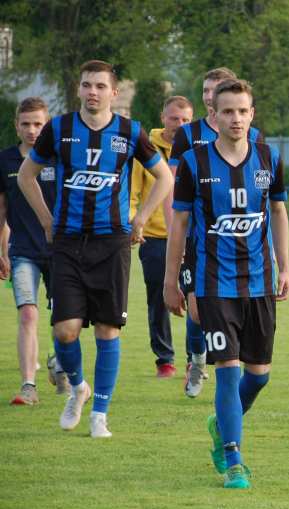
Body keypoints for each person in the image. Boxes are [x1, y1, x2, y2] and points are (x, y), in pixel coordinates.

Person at [17, 60, 173, 438]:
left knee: (107, 330)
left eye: (100, 86)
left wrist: (141, 219)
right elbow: (26, 175)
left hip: (112, 243)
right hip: (68, 242)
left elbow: (165, 176)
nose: (93, 92)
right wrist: (45, 218)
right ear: (79, 89)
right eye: (87, 85)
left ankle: (99, 412)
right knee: (66, 330)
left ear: (113, 93)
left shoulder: (129, 132)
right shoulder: (59, 129)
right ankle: (78, 387)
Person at [164, 78, 289, 489]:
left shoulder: (269, 158)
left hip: (260, 282)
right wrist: (175, 280)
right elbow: (179, 225)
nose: (236, 118)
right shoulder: (194, 164)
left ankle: (220, 425)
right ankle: (234, 458)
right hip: (214, 284)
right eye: (228, 111)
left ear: (252, 114)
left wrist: (284, 267)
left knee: (260, 375)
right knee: (229, 373)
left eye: (243, 110)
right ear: (214, 117)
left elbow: (278, 213)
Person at [168, 67, 264, 398]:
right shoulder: (187, 136)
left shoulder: (253, 137)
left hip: (239, 245)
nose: (209, 96)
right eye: (206, 90)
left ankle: (213, 357)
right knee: (196, 310)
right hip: (199, 240)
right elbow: (173, 186)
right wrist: (175, 234)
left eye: (215, 90)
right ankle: (197, 359)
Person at [0, 97, 69, 404]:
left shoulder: (59, 159)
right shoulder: (6, 161)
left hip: (59, 252)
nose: (32, 130)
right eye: (26, 124)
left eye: (38, 124)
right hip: (22, 251)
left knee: (63, 319)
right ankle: (28, 385)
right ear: (17, 125)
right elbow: (2, 210)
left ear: (47, 125)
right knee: (28, 314)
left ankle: (58, 361)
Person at [130, 96, 194, 378]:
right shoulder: (146, 149)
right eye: (173, 118)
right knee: (158, 299)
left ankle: (196, 357)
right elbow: (131, 192)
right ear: (162, 117)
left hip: (192, 237)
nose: (179, 125)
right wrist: (135, 221)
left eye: (185, 120)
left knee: (196, 298)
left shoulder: (197, 149)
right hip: (156, 237)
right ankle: (165, 359)